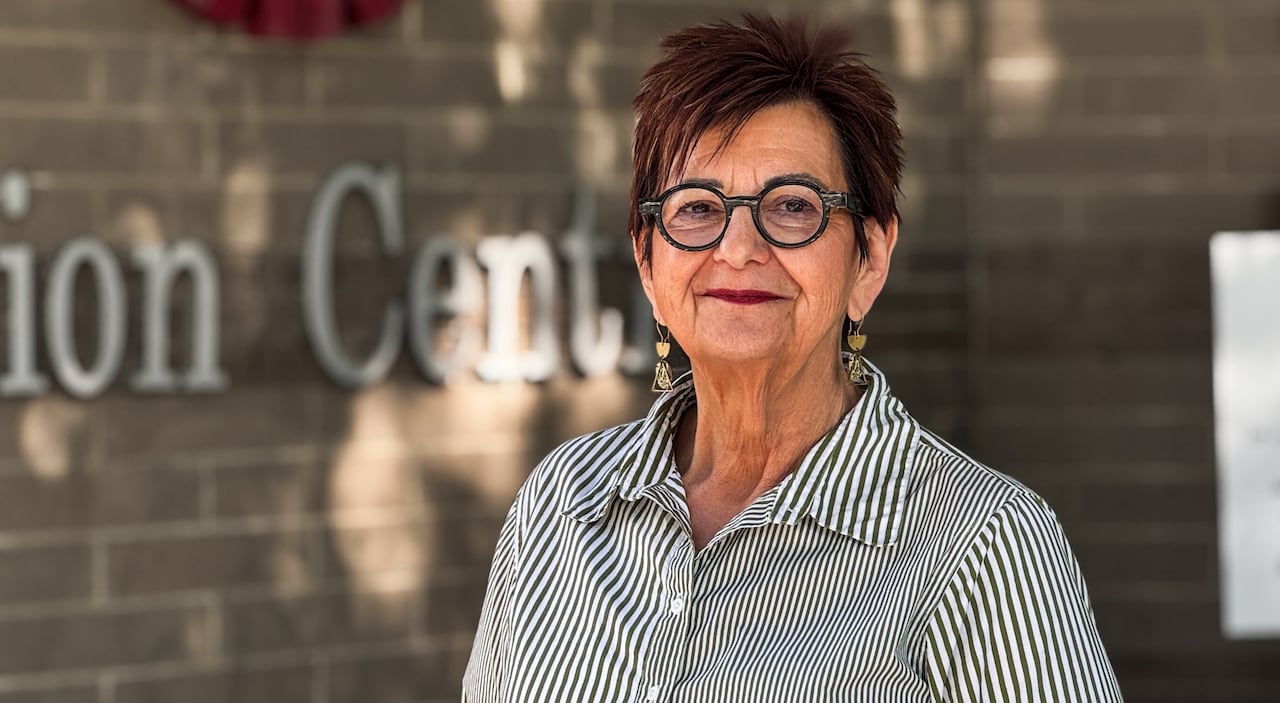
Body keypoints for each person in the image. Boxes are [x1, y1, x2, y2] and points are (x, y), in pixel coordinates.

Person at [464, 14, 1122, 702]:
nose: (739, 247)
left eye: (791, 206)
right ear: (647, 262)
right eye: (696, 208)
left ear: (869, 258)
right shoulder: (560, 506)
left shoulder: (986, 543)